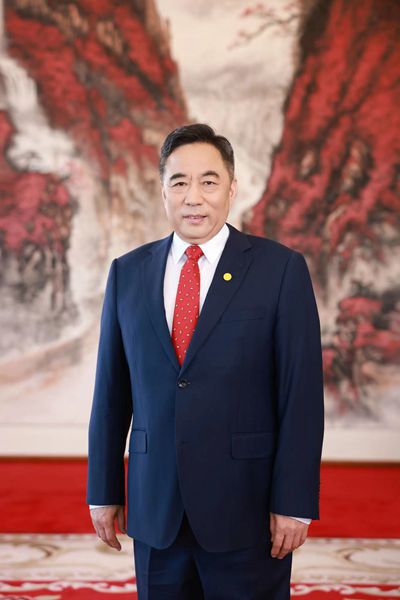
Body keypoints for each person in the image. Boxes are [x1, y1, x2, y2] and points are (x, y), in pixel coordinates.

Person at [87, 123, 324, 599]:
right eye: (179, 182)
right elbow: (111, 393)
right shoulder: (128, 273)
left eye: (208, 181)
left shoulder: (280, 270)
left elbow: (300, 395)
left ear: (232, 189)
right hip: (156, 510)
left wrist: (294, 502)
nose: (193, 197)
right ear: (163, 191)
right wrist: (103, 490)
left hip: (247, 509)